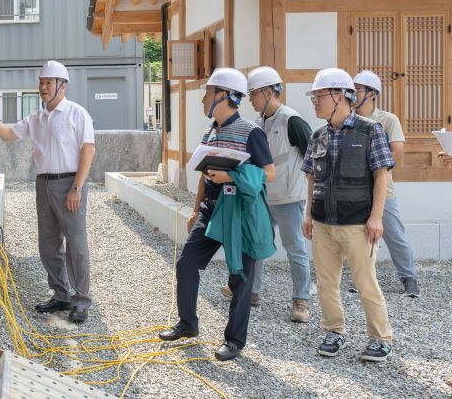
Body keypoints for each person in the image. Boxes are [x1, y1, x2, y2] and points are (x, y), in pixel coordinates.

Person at [158, 68, 275, 362]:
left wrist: (231, 177)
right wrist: (196, 208)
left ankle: (234, 341)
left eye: (208, 93)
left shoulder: (251, 132)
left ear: (223, 95)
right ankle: (187, 325)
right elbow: (203, 175)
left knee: (240, 278)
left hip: (239, 213)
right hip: (211, 210)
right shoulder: (210, 130)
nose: (203, 99)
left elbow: (269, 174)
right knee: (186, 264)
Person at [0, 60, 96, 323]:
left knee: (75, 244)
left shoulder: (77, 113)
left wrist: (77, 187)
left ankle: (81, 300)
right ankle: (60, 294)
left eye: (48, 83)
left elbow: (88, 150)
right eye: (41, 83)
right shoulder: (36, 118)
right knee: (48, 243)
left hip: (70, 183)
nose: (43, 87)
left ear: (62, 86)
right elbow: (9, 134)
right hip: (43, 183)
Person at [301, 68, 394, 362]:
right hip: (322, 222)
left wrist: (376, 217)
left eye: (319, 96)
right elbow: (311, 179)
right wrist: (307, 215)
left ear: (339, 96)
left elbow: (381, 175)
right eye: (313, 97)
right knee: (326, 282)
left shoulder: (370, 130)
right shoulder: (317, 135)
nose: (314, 102)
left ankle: (381, 338)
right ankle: (333, 331)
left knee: (365, 283)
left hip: (358, 223)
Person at [218, 66, 313, 322]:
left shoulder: (291, 120)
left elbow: (312, 158)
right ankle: (252, 292)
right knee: (256, 244)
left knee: (295, 249)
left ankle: (301, 301)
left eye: (254, 95)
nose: (250, 100)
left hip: (290, 199)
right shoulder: (258, 123)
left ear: (269, 92)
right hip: (261, 197)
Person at [353, 70, 420, 297]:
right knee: (360, 235)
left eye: (358, 90)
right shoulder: (349, 120)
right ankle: (362, 279)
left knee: (393, 233)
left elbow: (397, 150)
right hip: (355, 187)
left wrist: (371, 165)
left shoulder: (388, 119)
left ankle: (409, 278)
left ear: (372, 93)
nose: (353, 94)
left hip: (383, 186)